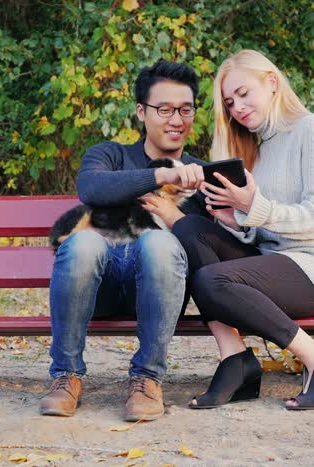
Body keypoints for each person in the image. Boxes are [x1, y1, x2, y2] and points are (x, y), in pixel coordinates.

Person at [39, 60, 208, 421]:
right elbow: (92, 187)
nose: (176, 119)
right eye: (164, 109)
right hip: (99, 284)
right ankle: (66, 375)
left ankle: (147, 379)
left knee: (158, 244)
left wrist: (176, 217)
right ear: (141, 112)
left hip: (162, 288)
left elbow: (210, 248)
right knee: (83, 243)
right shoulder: (110, 155)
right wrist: (162, 173)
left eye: (185, 109)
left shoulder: (203, 175)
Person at [161, 49, 313, 410]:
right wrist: (236, 221)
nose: (238, 108)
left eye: (244, 93)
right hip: (272, 261)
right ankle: (236, 359)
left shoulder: (309, 130)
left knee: (211, 281)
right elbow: (262, 229)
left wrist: (252, 208)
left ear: (272, 82)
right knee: (190, 228)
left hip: (308, 266)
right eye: (230, 102)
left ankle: (311, 353)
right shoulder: (256, 148)